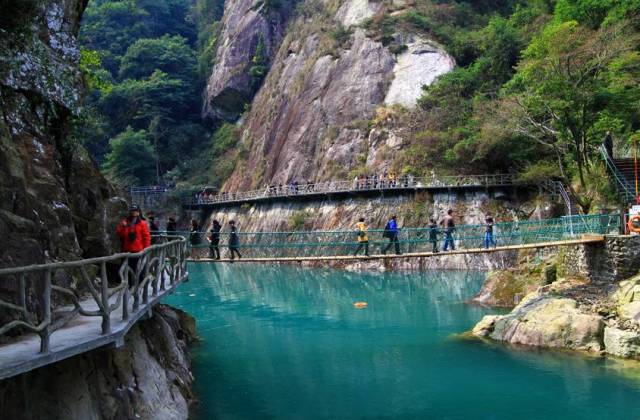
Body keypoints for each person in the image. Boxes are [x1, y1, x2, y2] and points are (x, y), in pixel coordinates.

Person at [116, 205, 151, 286]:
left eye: (135, 211)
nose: (133, 212)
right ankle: (129, 286)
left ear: (138, 212)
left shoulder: (142, 223)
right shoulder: (125, 222)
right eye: (132, 211)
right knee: (127, 269)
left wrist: (146, 249)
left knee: (139, 269)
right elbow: (119, 233)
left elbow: (146, 237)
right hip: (127, 250)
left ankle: (139, 286)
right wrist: (123, 227)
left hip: (138, 250)